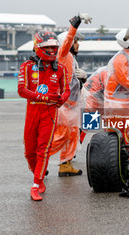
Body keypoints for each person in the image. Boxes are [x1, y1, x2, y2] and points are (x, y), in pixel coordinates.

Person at [18, 31, 70, 201]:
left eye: (54, 47)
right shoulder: (26, 66)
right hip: (33, 111)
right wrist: (42, 97)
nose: (51, 50)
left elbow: (66, 90)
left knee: (43, 150)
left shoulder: (60, 68)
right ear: (38, 47)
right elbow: (22, 90)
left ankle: (36, 184)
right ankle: (38, 174)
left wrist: (61, 100)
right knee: (29, 152)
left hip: (50, 112)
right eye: (47, 47)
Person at [49, 13, 92, 177]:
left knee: (71, 136)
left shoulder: (71, 58)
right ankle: (40, 159)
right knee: (61, 136)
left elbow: (73, 81)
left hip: (73, 104)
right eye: (76, 41)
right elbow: (67, 41)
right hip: (64, 105)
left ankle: (65, 165)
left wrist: (83, 78)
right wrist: (76, 23)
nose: (78, 44)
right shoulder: (63, 54)